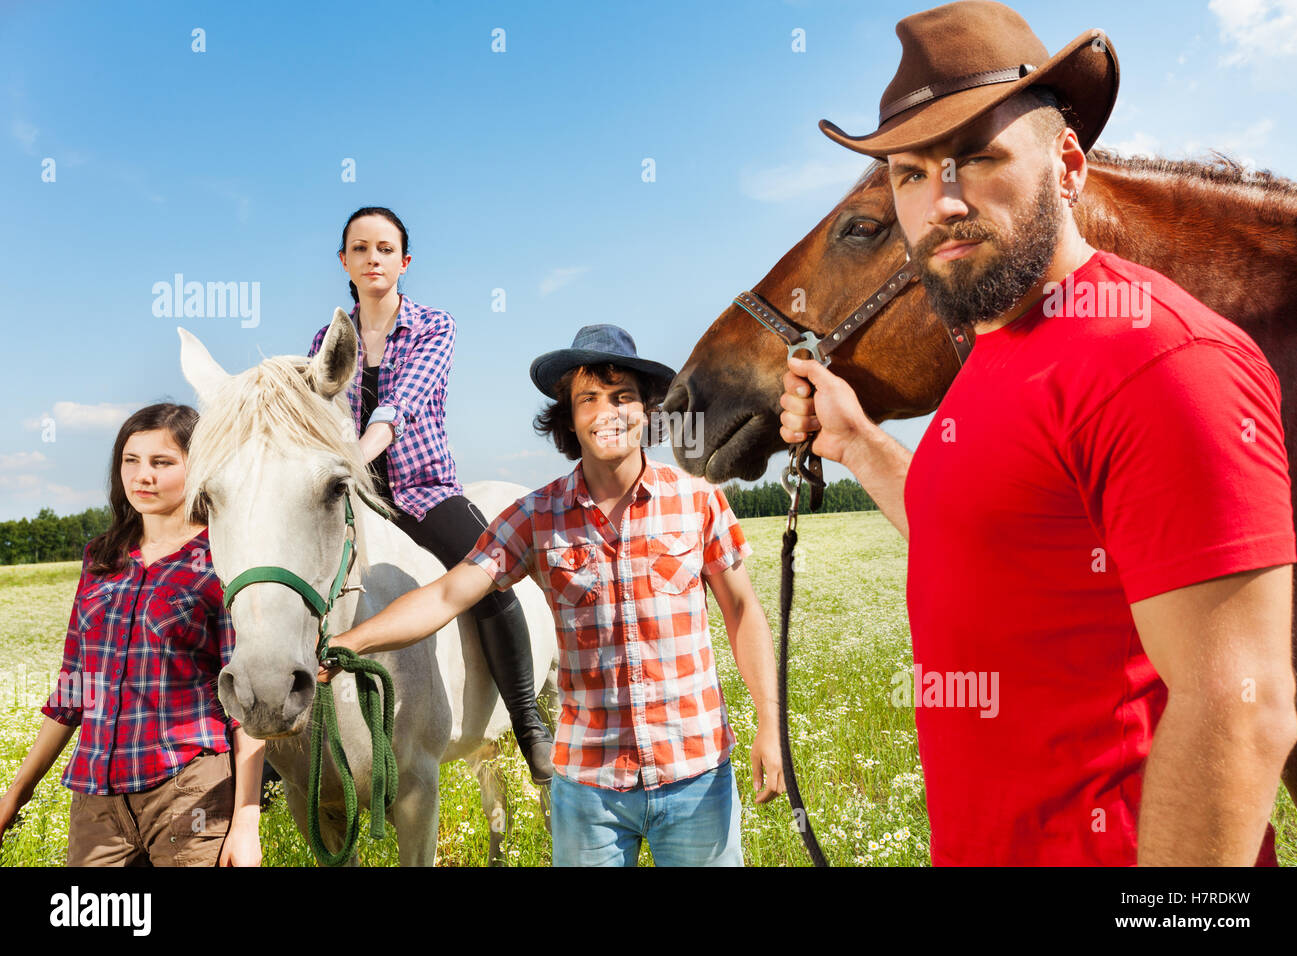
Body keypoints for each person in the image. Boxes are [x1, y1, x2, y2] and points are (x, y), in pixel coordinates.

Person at [781, 0, 1296, 866]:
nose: (940, 203)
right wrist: (861, 446)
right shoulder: (998, 350)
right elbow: (994, 541)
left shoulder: (1162, 359)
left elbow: (1239, 712)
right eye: (909, 175)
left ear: (1067, 165)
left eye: (976, 158)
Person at [319, 324, 785, 866]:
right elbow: (448, 594)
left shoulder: (698, 501)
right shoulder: (536, 516)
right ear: (569, 417)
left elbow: (743, 612)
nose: (608, 411)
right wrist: (350, 640)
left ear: (647, 411)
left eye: (623, 397)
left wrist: (770, 726)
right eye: (589, 398)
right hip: (589, 792)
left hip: (695, 777)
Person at [309, 206, 554, 783]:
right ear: (343, 261)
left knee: (490, 579)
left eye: (385, 249)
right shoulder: (327, 338)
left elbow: (405, 401)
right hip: (353, 487)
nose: (374, 258)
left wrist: (362, 448)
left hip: (421, 487)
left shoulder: (434, 326)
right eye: (361, 248)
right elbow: (321, 405)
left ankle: (527, 720)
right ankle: (284, 736)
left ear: (404, 261)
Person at [0, 403, 264, 866]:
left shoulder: (225, 560)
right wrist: (15, 794)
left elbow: (247, 702)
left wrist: (246, 820)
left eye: (162, 462)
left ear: (199, 466)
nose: (143, 476)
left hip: (190, 791)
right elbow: (72, 688)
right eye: (131, 460)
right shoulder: (101, 558)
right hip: (96, 799)